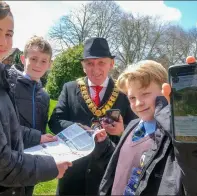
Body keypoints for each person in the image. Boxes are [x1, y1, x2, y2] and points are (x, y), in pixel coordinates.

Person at [0, 1, 72, 196]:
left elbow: (9, 129)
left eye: (8, 34)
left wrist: (39, 138)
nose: (3, 42)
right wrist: (51, 167)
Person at [48, 37, 137, 195]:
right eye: (89, 63)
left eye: (101, 62)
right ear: (83, 66)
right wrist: (77, 129)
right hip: (72, 172)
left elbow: (137, 130)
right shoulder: (70, 88)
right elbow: (55, 121)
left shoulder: (124, 93)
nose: (95, 69)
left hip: (107, 173)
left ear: (111, 64)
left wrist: (122, 131)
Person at [98, 60, 187, 195]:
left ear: (165, 90)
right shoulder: (133, 125)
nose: (138, 103)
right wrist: (104, 144)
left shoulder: (175, 136)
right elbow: (126, 161)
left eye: (145, 94)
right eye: (132, 98)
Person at [10, 35, 56, 148]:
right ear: (22, 59)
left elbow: (42, 129)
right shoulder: (9, 85)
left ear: (49, 65)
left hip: (37, 155)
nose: (38, 65)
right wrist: (38, 137)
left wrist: (45, 138)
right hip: (12, 154)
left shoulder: (44, 96)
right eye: (33, 59)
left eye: (44, 61)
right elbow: (3, 124)